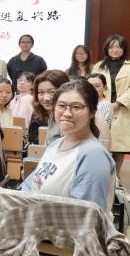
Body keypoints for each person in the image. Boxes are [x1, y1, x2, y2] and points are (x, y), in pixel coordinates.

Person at [22, 79, 116, 212]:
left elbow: (83, 215)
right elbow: (30, 186)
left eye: (76, 107)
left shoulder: (93, 155)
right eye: (61, 106)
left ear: (92, 112)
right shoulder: (55, 145)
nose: (67, 113)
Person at [92, 34, 130, 173]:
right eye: (111, 47)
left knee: (119, 146)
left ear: (124, 49)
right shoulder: (98, 66)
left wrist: (118, 103)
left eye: (119, 47)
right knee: (100, 142)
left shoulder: (129, 66)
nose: (115, 50)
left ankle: (116, 175)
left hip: (122, 109)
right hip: (101, 106)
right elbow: (91, 84)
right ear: (106, 49)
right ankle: (101, 173)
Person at [28, 70, 69, 146]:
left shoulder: (70, 116)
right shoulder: (37, 113)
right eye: (41, 92)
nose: (46, 98)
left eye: (52, 92)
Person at [87, 73, 113, 151]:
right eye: (90, 86)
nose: (93, 89)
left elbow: (100, 130)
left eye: (97, 86)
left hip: (98, 144)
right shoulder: (87, 103)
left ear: (104, 87)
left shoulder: (105, 105)